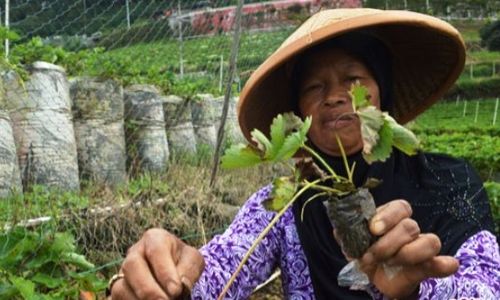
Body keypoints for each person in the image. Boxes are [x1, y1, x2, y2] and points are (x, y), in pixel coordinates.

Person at [109, 8, 499, 300]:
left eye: (353, 80)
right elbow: (221, 267)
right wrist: (171, 276)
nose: (333, 96)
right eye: (314, 87)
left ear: (383, 94)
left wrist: (418, 291)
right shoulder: (285, 203)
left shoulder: (448, 182)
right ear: (298, 116)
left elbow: (487, 287)